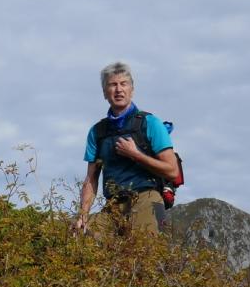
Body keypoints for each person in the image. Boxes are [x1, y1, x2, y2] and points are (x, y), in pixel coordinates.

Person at [76, 62, 180, 235]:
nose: (119, 89)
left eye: (124, 84)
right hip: (113, 204)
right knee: (83, 238)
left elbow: (172, 171)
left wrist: (136, 154)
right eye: (113, 84)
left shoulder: (150, 123)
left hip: (146, 197)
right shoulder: (98, 132)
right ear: (104, 93)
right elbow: (91, 178)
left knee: (143, 256)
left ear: (132, 90)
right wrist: (83, 215)